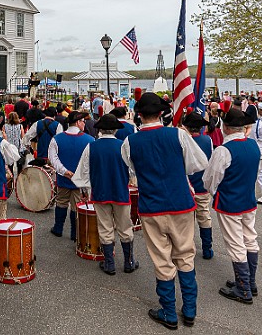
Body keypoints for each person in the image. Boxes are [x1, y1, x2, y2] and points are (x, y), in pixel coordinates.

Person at [122, 93, 207, 329]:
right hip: (181, 203)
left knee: (162, 260)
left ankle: (169, 312)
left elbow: (133, 169)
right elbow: (197, 164)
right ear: (161, 113)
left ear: (139, 115)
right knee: (185, 255)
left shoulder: (130, 142)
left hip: (152, 207)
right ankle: (189, 310)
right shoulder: (178, 134)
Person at [203, 108, 260, 305]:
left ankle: (243, 288)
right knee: (250, 239)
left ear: (225, 127)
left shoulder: (223, 150)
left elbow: (210, 179)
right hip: (248, 199)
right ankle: (249, 281)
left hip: (230, 201)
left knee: (236, 243)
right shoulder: (253, 145)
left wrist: (215, 192)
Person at [73, 114, 138, 275]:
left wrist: (85, 189)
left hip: (100, 193)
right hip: (120, 192)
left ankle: (109, 263)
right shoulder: (123, 146)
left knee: (105, 227)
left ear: (100, 129)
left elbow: (83, 172)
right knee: (125, 227)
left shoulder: (91, 146)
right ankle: (128, 262)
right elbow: (133, 171)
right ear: (115, 130)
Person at [48, 111, 94, 241]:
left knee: (61, 202)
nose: (84, 123)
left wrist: (64, 171)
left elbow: (53, 159)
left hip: (63, 178)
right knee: (76, 205)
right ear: (78, 122)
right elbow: (90, 161)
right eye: (83, 121)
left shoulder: (57, 139)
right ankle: (75, 233)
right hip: (80, 180)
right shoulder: (90, 140)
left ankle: (58, 228)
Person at [181, 111, 214, 259]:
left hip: (187, 187)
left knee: (187, 221)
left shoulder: (182, 141)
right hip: (202, 186)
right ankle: (207, 248)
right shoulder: (208, 140)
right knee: (204, 217)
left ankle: (188, 249)